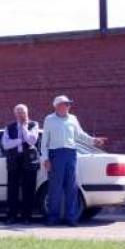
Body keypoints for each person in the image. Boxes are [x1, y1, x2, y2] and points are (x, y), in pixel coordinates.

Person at [40, 95, 107, 226]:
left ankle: (71, 218)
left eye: (69, 104)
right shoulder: (49, 119)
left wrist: (94, 141)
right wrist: (45, 158)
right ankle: (53, 218)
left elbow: (80, 135)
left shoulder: (73, 119)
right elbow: (44, 141)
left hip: (70, 153)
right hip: (56, 154)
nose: (68, 106)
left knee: (71, 187)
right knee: (55, 188)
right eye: (66, 104)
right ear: (57, 106)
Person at [0, 103, 41, 224]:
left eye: (22, 112)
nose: (20, 114)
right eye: (18, 112)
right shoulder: (9, 127)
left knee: (28, 189)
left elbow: (32, 140)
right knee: (12, 190)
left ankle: (26, 217)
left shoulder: (34, 125)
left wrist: (23, 128)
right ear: (15, 114)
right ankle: (11, 216)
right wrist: (19, 141)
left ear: (27, 113)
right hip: (14, 161)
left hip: (29, 161)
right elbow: (5, 145)